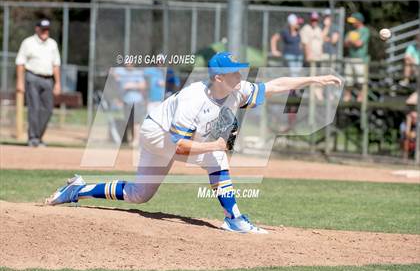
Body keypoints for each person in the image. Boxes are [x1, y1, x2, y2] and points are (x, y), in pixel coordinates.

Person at [45, 52, 341, 234]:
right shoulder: (193, 99)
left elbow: (274, 86)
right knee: (216, 158)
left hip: (172, 136)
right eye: (235, 71)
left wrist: (314, 79)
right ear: (220, 78)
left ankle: (77, 190)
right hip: (157, 133)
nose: (241, 74)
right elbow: (180, 148)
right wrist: (214, 147)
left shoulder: (237, 90)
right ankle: (234, 218)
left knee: (139, 195)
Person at [15, 18, 61, 147]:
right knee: (34, 108)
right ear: (37, 29)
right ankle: (33, 138)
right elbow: (20, 62)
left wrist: (58, 83)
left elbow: (56, 64)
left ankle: (38, 136)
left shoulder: (52, 44)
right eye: (43, 29)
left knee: (48, 109)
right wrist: (20, 82)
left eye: (47, 29)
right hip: (32, 77)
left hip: (48, 79)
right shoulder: (28, 42)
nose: (45, 32)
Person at [113, 63, 147, 146]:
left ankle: (136, 140)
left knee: (136, 122)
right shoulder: (121, 71)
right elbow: (112, 73)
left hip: (136, 101)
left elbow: (143, 85)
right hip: (125, 101)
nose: (129, 64)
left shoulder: (137, 73)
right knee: (128, 121)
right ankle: (130, 139)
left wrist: (131, 85)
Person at [343, 12, 370, 102]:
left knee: (361, 81)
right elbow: (345, 44)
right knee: (348, 81)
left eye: (354, 21)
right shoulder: (351, 31)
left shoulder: (365, 30)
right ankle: (347, 98)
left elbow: (359, 43)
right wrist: (351, 41)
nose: (352, 23)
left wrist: (351, 41)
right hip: (350, 58)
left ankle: (360, 99)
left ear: (359, 21)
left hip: (360, 59)